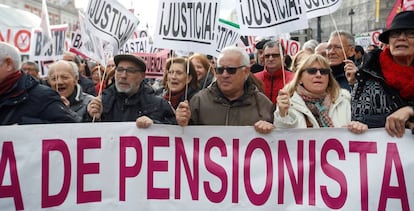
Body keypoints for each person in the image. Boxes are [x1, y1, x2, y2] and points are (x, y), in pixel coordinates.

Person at [175, 46, 275, 134]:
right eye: (220, 70)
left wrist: (272, 130)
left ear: (246, 71)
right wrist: (182, 122)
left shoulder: (263, 105)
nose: (224, 75)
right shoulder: (199, 101)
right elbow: (183, 141)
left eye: (231, 70)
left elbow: (279, 143)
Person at [349, 11, 414, 137]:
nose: (401, 38)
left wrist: (410, 111)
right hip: (386, 154)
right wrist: (402, 121)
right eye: (395, 34)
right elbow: (358, 118)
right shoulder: (368, 73)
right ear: (388, 41)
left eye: (410, 33)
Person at [275, 54, 368, 133]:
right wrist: (283, 115)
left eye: (324, 71)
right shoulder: (288, 102)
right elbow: (283, 139)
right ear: (299, 78)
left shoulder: (344, 100)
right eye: (312, 71)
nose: (318, 75)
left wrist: (358, 127)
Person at [87, 54, 176, 127]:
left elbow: (175, 133)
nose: (123, 75)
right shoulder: (102, 101)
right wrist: (91, 117)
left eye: (131, 71)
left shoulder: (158, 104)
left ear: (142, 76)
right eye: (120, 70)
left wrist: (155, 125)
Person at [0, 42, 79, 125]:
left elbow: (69, 130)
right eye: (54, 78)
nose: (59, 82)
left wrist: (24, 127)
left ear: (8, 64)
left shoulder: (44, 97)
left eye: (65, 77)